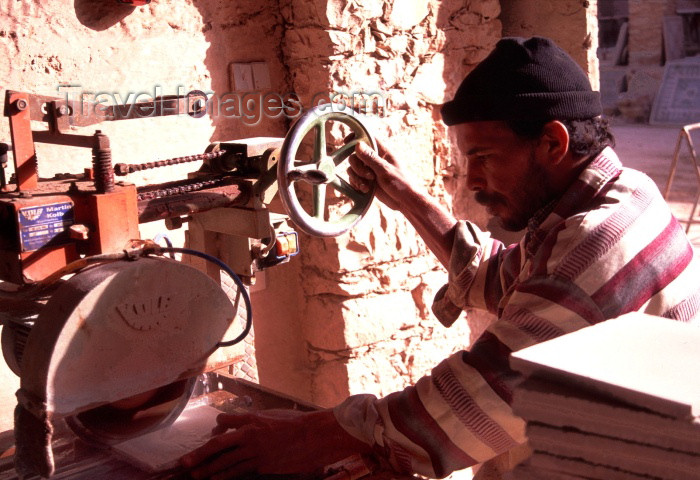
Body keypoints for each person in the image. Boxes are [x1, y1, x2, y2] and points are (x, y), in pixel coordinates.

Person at [181, 36, 700, 479]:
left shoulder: (595, 243)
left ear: (552, 142)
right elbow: (500, 278)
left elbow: (485, 396)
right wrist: (406, 195)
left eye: (482, 157)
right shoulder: (624, 193)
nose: (472, 184)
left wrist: (313, 436)